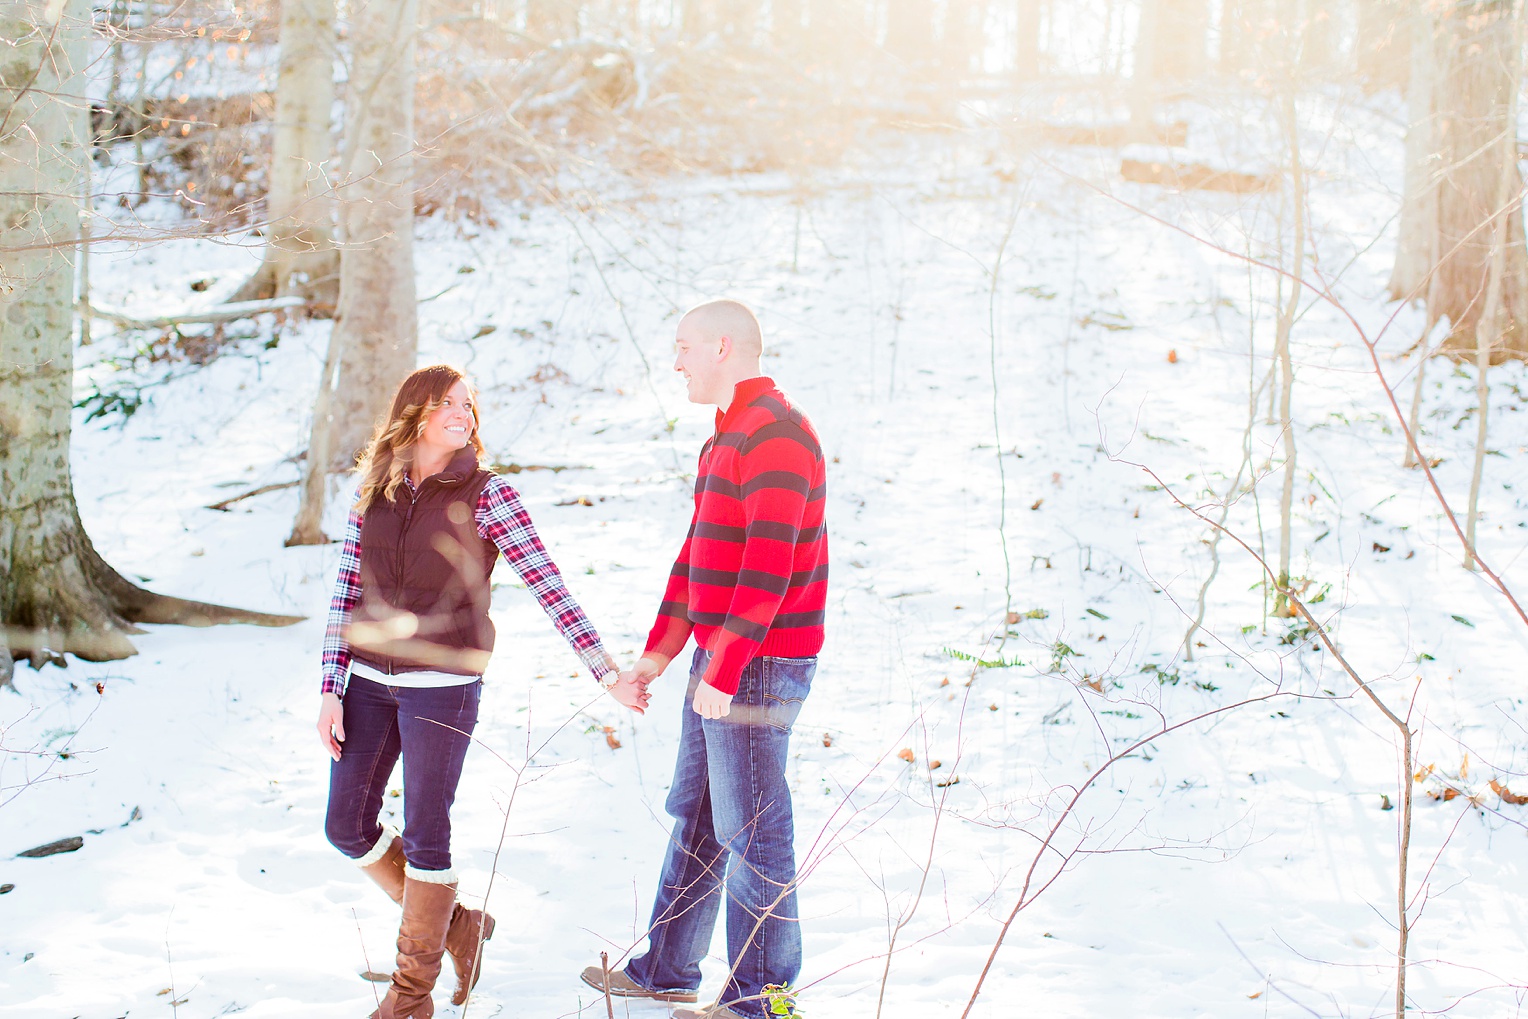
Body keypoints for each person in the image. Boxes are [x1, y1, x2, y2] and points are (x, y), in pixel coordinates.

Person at [316, 364, 646, 1019]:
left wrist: (606, 672)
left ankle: (412, 996)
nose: (463, 412)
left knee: (427, 830)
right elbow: (345, 593)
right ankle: (459, 925)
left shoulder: (491, 494)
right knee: (346, 825)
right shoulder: (374, 491)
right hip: (369, 684)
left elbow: (549, 585)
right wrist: (330, 688)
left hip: (443, 685)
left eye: (468, 402)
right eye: (447, 403)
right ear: (415, 413)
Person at [583, 301, 828, 1019]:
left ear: (724, 346)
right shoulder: (725, 437)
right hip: (721, 660)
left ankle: (763, 998)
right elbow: (698, 559)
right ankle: (667, 967)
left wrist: (722, 670)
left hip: (755, 665)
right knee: (696, 811)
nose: (677, 360)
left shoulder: (777, 436)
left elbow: (769, 568)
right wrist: (660, 655)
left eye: (685, 346)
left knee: (754, 827)